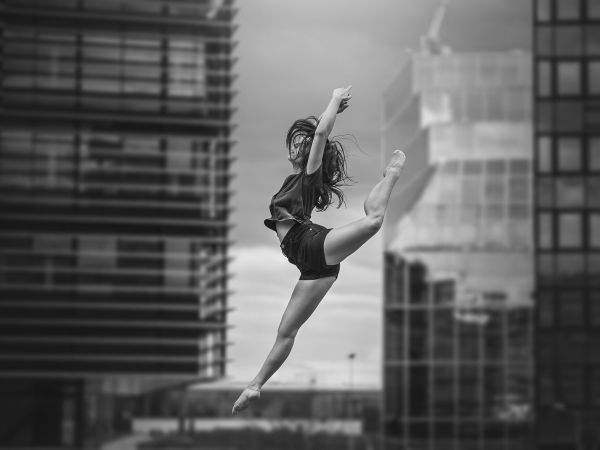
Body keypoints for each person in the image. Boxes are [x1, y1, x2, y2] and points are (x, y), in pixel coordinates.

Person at [231, 86, 406, 414]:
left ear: (312, 154)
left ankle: (391, 177)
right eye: (298, 144)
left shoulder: (307, 179)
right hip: (311, 266)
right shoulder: (295, 181)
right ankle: (256, 385)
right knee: (286, 332)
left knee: (373, 221)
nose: (297, 148)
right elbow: (319, 134)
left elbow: (322, 131)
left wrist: (335, 100)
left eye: (302, 145)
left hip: (311, 244)